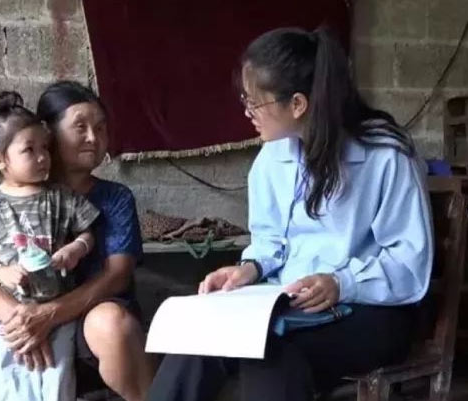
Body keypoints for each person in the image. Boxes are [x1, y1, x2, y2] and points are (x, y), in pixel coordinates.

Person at [147, 27, 433, 401]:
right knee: (197, 340)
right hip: (288, 301)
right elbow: (270, 240)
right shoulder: (273, 156)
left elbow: (409, 263)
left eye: (255, 103)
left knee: (270, 356)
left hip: (370, 308)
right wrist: (251, 268)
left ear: (297, 104)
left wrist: (342, 282)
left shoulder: (385, 156)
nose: (247, 112)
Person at [0, 82, 154, 401]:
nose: (93, 137)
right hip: (14, 314)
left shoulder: (114, 197)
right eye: (80, 127)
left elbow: (117, 275)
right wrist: (19, 317)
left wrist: (49, 315)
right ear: (49, 132)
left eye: (101, 128)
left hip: (83, 314)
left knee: (111, 324)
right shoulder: (9, 196)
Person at [0, 90, 99, 401]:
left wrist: (76, 249)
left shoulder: (61, 197)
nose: (43, 157)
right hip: (6, 319)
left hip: (57, 312)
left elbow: (88, 234)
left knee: (56, 382)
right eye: (29, 150)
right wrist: (2, 272)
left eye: (45, 147)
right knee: (8, 384)